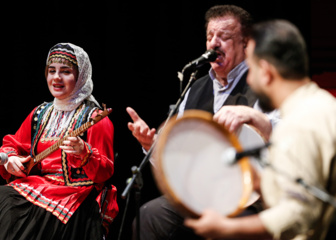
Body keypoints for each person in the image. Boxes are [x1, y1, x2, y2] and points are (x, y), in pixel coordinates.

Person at [127, 5, 280, 240]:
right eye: (210, 36)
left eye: (225, 37)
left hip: (248, 198)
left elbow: (288, 140)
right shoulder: (195, 87)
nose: (214, 43)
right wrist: (152, 146)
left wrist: (257, 119)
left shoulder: (265, 83)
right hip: (202, 195)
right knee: (150, 215)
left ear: (246, 44)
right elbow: (181, 158)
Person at [184, 19, 336, 240]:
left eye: (252, 69)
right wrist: (258, 181)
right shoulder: (319, 104)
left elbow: (299, 215)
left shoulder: (300, 124)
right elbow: (307, 187)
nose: (250, 80)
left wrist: (226, 229)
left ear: (265, 72)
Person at [0, 43, 118, 240]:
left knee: (46, 213)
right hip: (39, 184)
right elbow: (12, 143)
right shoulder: (40, 114)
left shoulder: (95, 118)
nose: (56, 78)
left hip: (76, 192)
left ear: (80, 76)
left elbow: (105, 171)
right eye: (51, 71)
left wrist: (84, 153)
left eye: (66, 72)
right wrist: (10, 159)